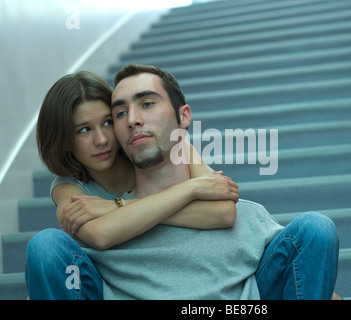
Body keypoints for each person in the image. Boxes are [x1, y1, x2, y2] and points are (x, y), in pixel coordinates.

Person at [26, 71, 239, 299]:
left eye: (108, 122)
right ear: (65, 140)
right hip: (107, 284)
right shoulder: (67, 186)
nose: (101, 140)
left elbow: (222, 210)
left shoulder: (145, 150)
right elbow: (100, 234)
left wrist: (116, 206)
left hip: (180, 275)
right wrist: (191, 189)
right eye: (84, 130)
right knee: (46, 246)